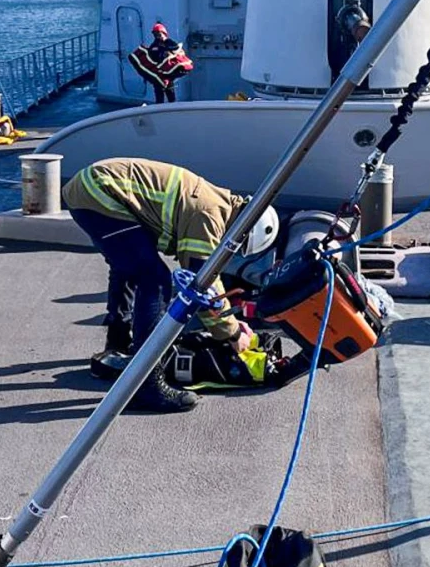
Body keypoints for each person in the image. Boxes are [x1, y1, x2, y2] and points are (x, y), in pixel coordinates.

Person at [63, 157, 279, 412]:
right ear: (244, 231)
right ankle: (146, 385)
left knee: (129, 267)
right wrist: (231, 333)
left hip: (91, 187)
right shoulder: (208, 217)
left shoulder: (216, 203)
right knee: (154, 280)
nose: (233, 253)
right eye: (240, 248)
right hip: (100, 192)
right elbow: (202, 285)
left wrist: (230, 324)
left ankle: (117, 345)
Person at [146, 23, 181, 104]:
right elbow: (152, 56)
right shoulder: (154, 45)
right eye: (155, 34)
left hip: (169, 74)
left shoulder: (169, 42)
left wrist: (169, 51)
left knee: (171, 95)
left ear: (164, 33)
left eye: (159, 33)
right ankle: (159, 111)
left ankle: (173, 110)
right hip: (158, 75)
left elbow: (176, 48)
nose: (158, 36)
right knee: (159, 97)